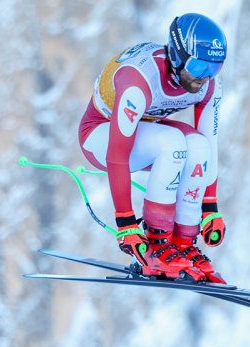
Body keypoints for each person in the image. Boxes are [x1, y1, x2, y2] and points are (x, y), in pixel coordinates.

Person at [77, 13, 228, 283]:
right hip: (100, 135)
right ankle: (157, 245)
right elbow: (117, 155)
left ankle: (183, 245)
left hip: (144, 131)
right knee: (172, 144)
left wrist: (210, 208)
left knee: (199, 146)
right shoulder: (140, 79)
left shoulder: (208, 85)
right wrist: (126, 223)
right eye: (198, 67)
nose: (205, 77)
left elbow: (210, 144)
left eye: (214, 68)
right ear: (178, 56)